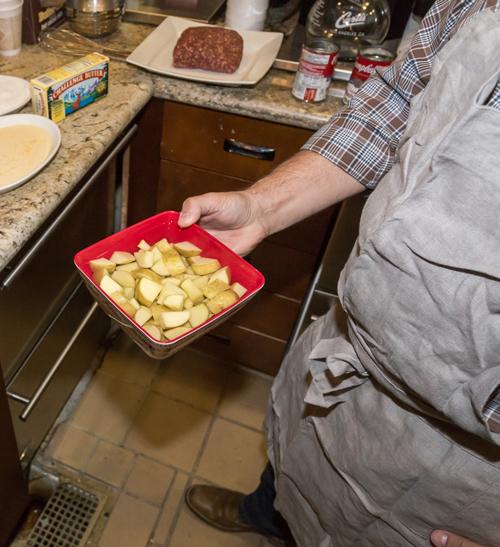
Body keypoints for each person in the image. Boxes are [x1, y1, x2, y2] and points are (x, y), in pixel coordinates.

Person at [178, 0, 500, 545]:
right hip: (349, 352)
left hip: (457, 462)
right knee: (292, 468)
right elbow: (395, 104)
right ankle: (266, 516)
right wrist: (262, 207)